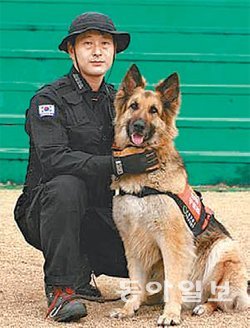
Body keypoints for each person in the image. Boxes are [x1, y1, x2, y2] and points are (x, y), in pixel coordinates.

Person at [14, 12, 158, 322]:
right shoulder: (48, 99)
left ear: (114, 51)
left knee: (157, 223)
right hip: (47, 210)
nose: (97, 51)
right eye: (88, 43)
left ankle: (209, 276)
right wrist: (117, 164)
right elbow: (54, 160)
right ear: (71, 50)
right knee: (68, 184)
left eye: (105, 44)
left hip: (100, 212)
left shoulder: (120, 101)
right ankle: (61, 290)